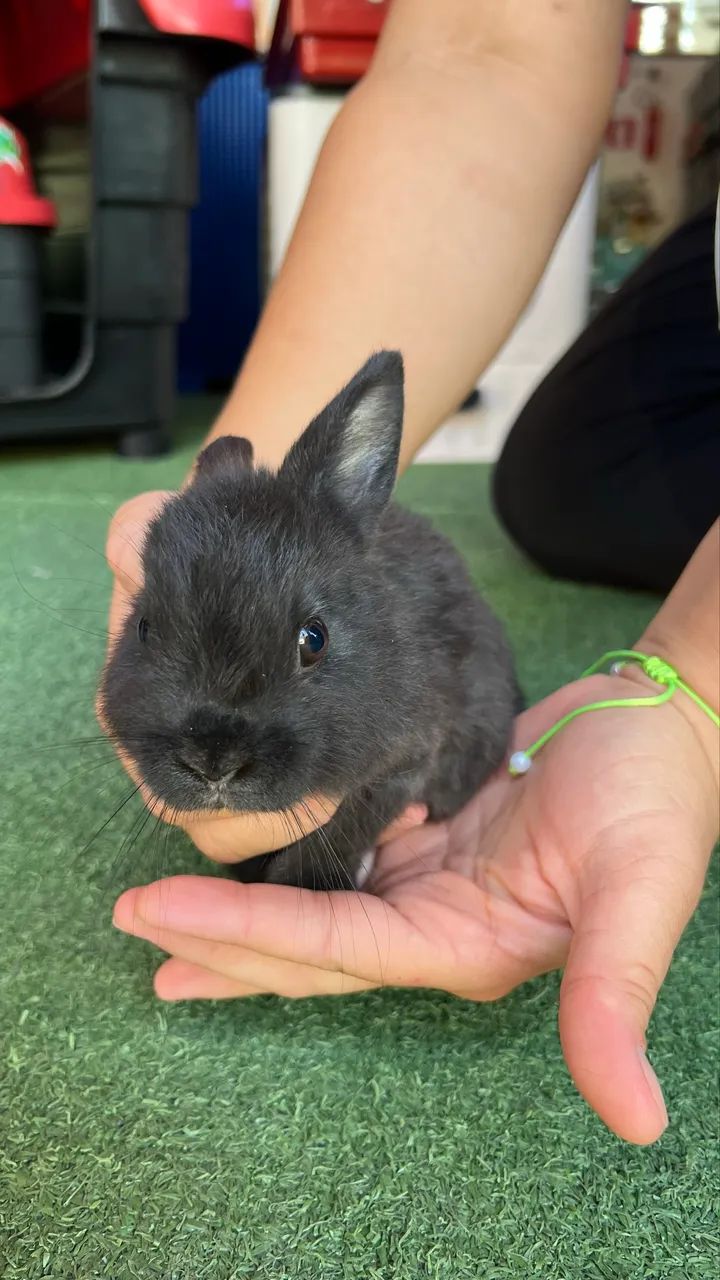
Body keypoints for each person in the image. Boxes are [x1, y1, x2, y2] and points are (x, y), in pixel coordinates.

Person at [106, 0, 719, 1148]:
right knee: (570, 479)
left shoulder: (390, 655)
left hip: (445, 727)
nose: (218, 741)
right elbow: (490, 45)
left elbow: (368, 720)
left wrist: (698, 689)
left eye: (300, 645)